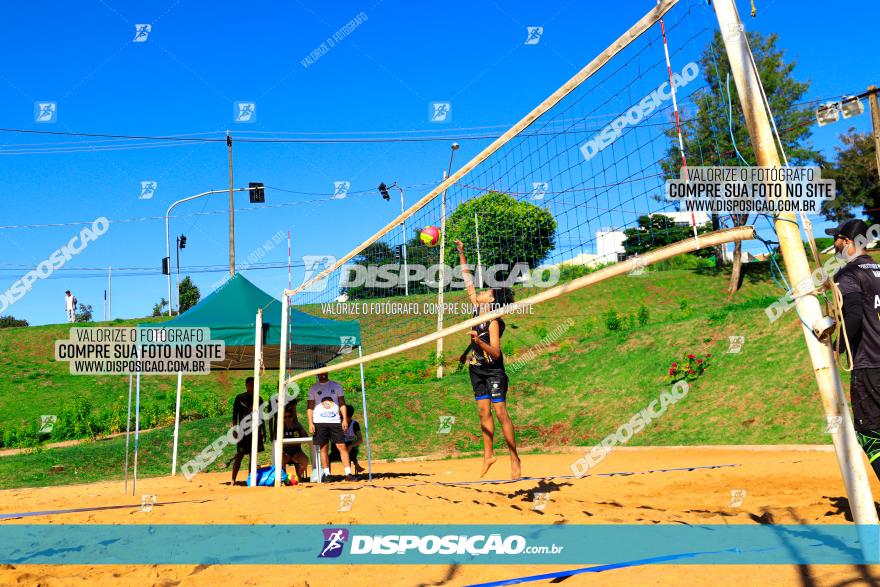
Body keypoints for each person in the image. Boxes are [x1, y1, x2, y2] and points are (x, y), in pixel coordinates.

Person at [454, 238, 521, 479]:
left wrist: (477, 341)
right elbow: (467, 279)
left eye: (487, 292)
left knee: (501, 412)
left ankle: (514, 457)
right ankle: (488, 455)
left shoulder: (493, 322)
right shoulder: (475, 308)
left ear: (492, 300)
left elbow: (496, 353)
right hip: (477, 370)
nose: (481, 292)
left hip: (494, 371)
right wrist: (461, 253)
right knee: (483, 413)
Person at [829, 218, 880, 481]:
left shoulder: (848, 274)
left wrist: (835, 348)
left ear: (848, 242)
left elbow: (855, 315)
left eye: (836, 240)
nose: (835, 246)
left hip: (869, 365)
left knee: (871, 435)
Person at [307, 370, 353, 481]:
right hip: (319, 422)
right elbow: (310, 407)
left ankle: (348, 473)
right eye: (321, 372)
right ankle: (327, 475)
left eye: (325, 372)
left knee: (342, 446)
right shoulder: (313, 388)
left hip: (335, 421)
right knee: (323, 448)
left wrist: (344, 420)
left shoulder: (336, 386)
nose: (323, 374)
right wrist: (310, 423)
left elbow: (342, 403)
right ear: (317, 374)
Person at [230, 377, 266, 485]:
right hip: (242, 431)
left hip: (255, 431)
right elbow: (234, 415)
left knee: (253, 456)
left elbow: (262, 417)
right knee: (239, 455)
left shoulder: (259, 399)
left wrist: (264, 431)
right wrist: (234, 429)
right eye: (249, 384)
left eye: (253, 384)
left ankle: (250, 479)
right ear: (246, 385)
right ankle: (233, 480)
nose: (251, 386)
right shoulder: (240, 398)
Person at [331, 404, 365, 475]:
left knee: (349, 445)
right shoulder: (337, 422)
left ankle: (349, 474)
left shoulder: (354, 424)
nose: (340, 413)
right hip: (337, 448)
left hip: (350, 449)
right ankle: (356, 464)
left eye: (342, 411)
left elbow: (360, 439)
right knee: (344, 444)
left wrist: (352, 445)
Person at [281, 401, 310, 482]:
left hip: (296, 452)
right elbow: (276, 441)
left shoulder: (298, 425)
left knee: (305, 461)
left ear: (293, 417)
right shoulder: (280, 427)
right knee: (279, 460)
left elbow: (306, 437)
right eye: (285, 417)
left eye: (289, 416)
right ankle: (283, 478)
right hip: (285, 452)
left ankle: (299, 477)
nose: (287, 419)